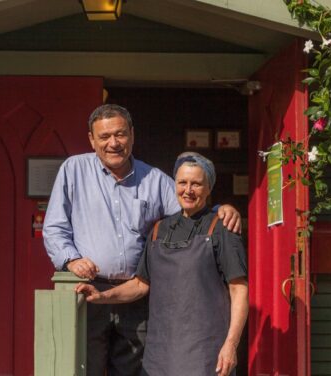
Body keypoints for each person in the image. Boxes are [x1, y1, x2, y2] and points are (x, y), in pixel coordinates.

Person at [43, 104, 241, 376]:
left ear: (132, 135)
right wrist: (71, 259)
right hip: (89, 293)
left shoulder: (156, 180)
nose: (113, 143)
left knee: (133, 372)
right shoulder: (73, 170)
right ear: (91, 139)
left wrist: (221, 211)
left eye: (120, 134)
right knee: (84, 368)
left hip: (138, 297)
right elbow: (54, 228)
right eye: (104, 137)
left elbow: (190, 209)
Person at [76, 152, 248, 376]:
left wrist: (230, 345)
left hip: (206, 350)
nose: (188, 190)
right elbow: (140, 284)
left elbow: (239, 290)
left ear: (208, 188)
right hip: (160, 352)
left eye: (196, 184)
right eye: (182, 182)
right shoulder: (159, 230)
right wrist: (102, 296)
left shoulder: (222, 228)